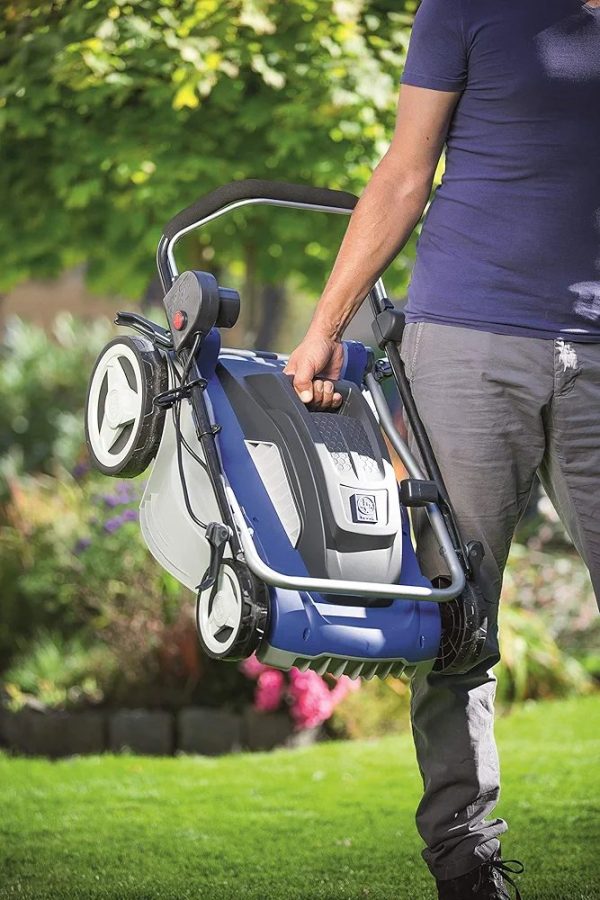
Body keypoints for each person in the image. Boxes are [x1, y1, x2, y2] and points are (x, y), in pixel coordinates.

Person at [283, 2, 600, 897]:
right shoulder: (464, 7)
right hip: (467, 340)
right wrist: (325, 327)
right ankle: (467, 862)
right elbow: (404, 172)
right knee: (458, 616)